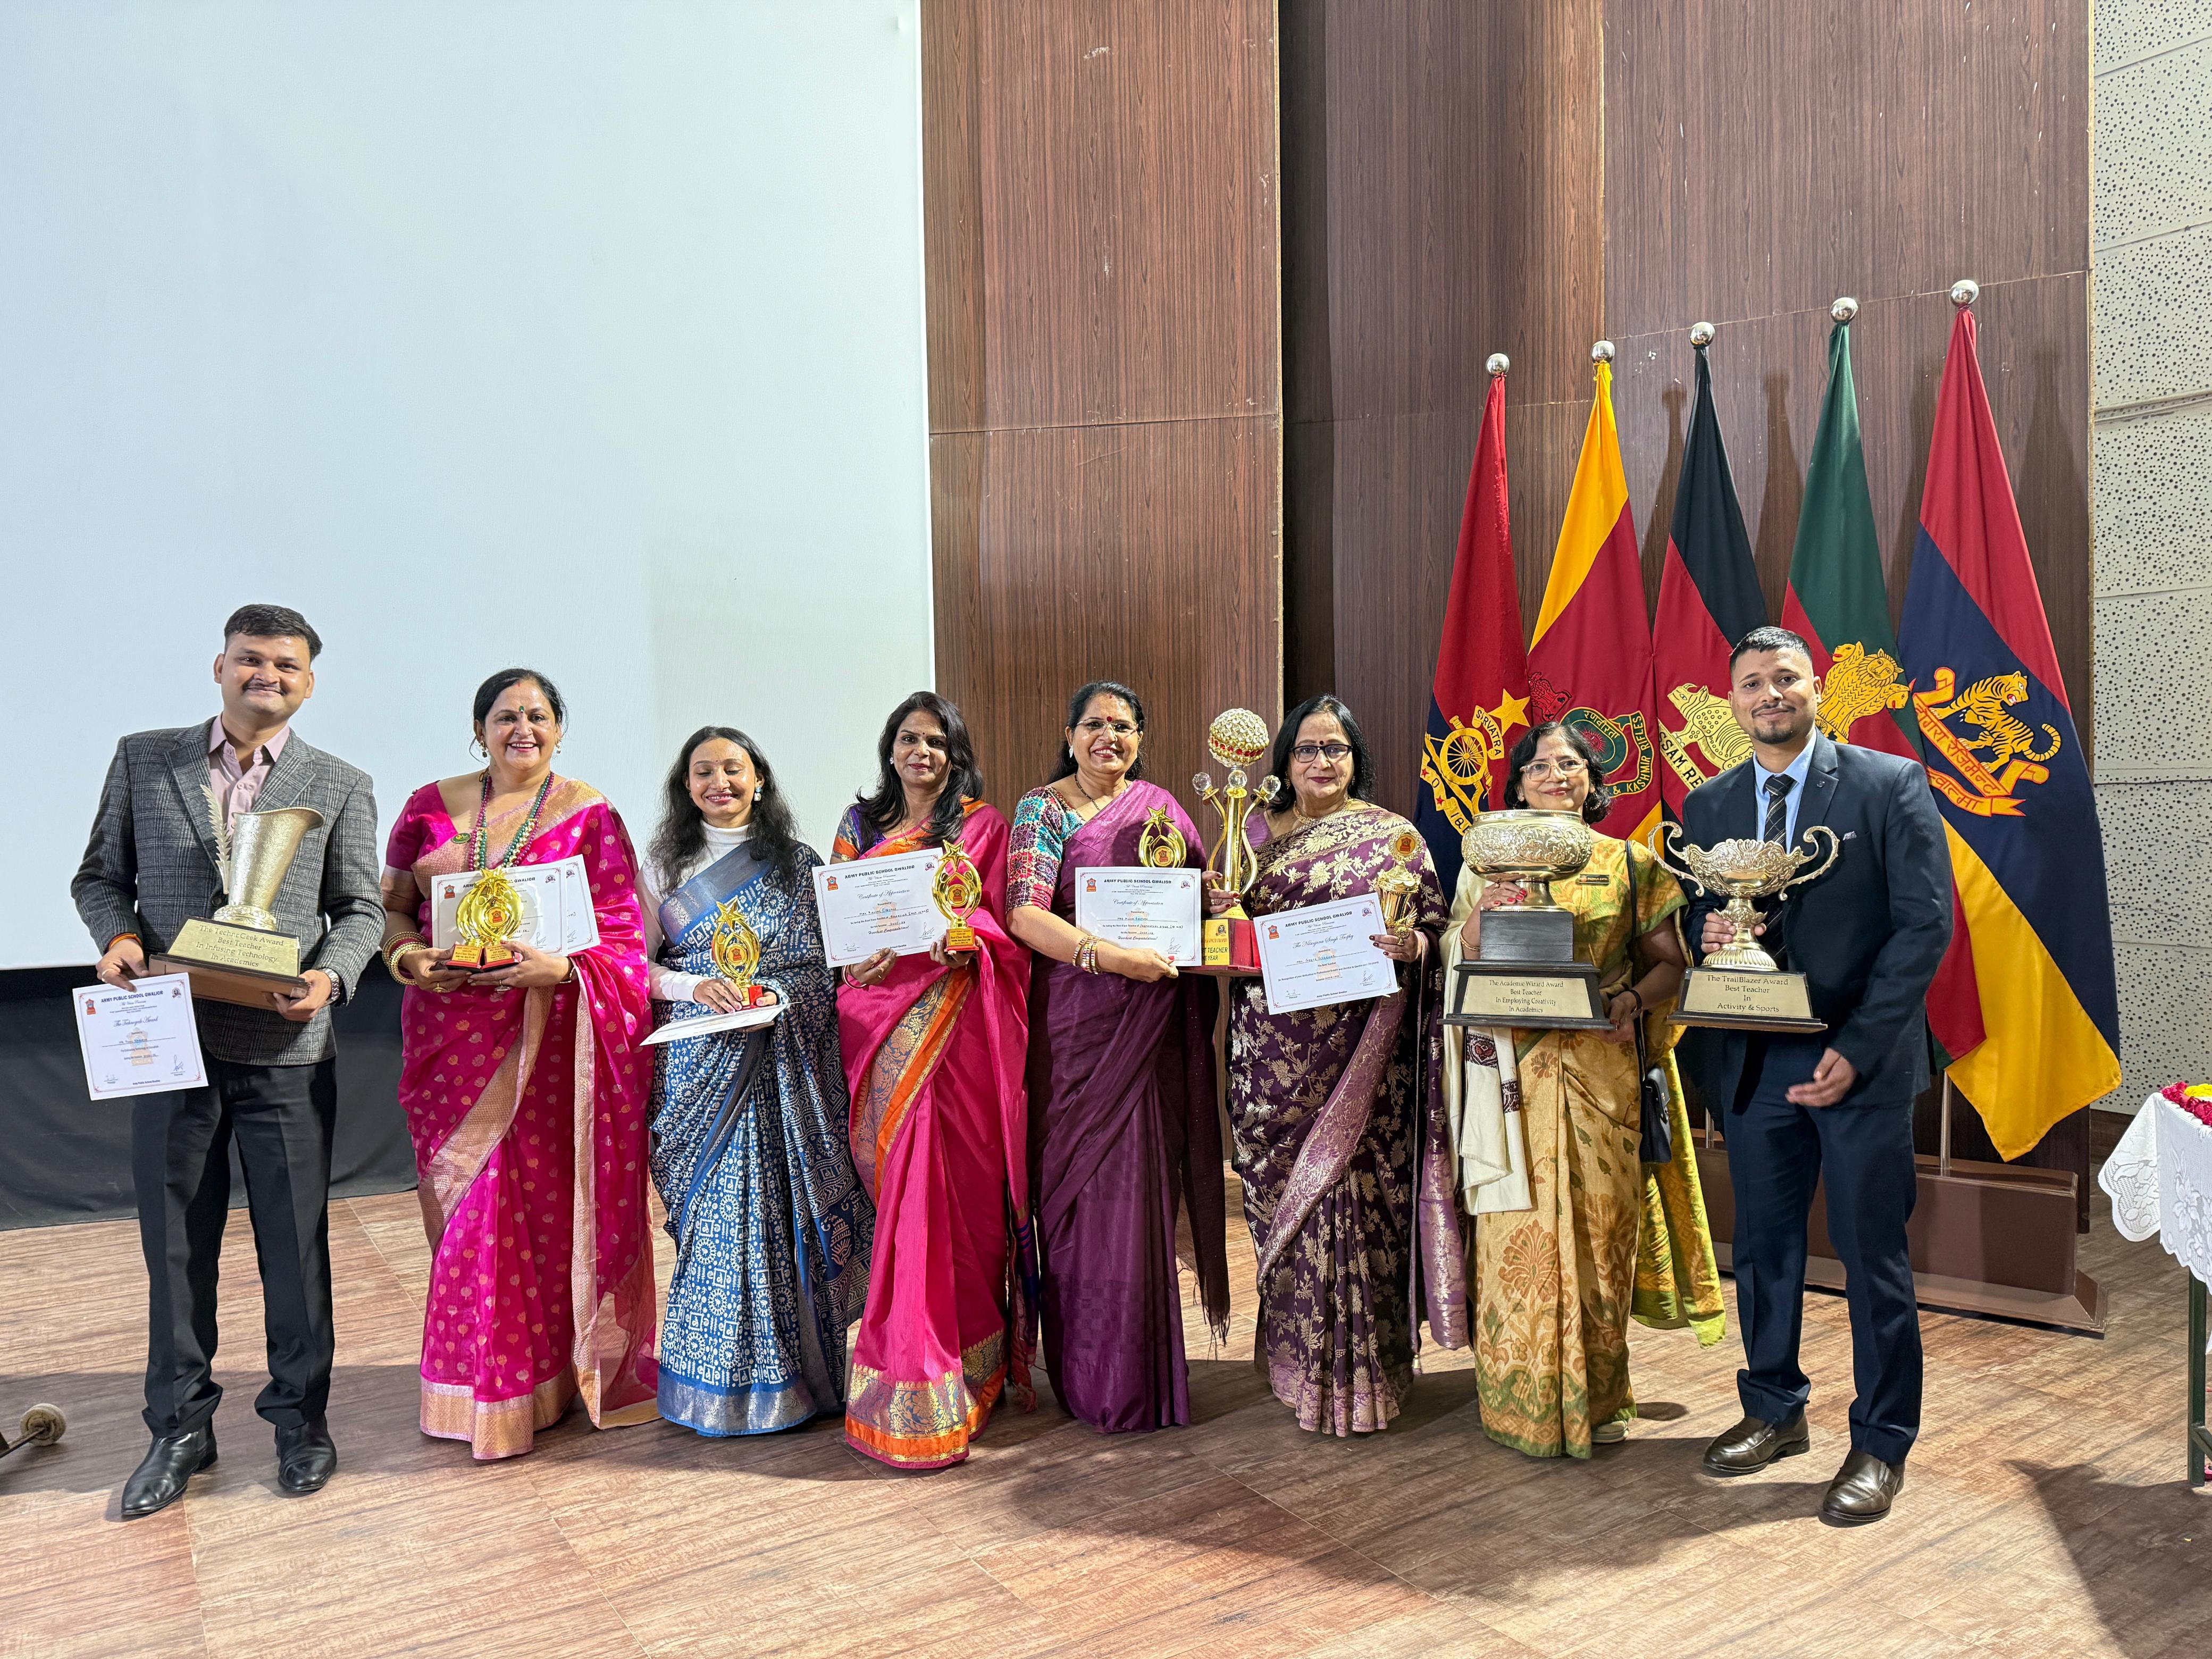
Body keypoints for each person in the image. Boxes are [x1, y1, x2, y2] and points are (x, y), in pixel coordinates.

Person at [72, 603, 381, 1518]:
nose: (268, 676)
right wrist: (120, 936)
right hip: (168, 1037)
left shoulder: (341, 783)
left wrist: (330, 978)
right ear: (219, 667)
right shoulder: (145, 756)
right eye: (251, 660)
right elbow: (98, 876)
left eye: (286, 665)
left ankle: (300, 1422)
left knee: (294, 1248)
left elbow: (360, 910)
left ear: (309, 681)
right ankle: (179, 1427)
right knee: (174, 1247)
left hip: (287, 1040)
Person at [1684, 625, 1950, 1525]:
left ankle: (1880, 1442)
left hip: (1859, 1063)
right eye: (1752, 682)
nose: (1770, 694)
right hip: (1756, 1062)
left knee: (1873, 1259)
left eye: (1785, 678)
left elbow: (1924, 927)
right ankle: (1773, 1411)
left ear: (1817, 687)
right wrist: (1707, 937)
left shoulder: (1887, 784)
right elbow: (1696, 921)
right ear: (1731, 702)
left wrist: (1863, 1045)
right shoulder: (1710, 804)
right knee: (1762, 1252)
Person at [379, 667, 658, 1459]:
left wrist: (565, 971)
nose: (522, 728)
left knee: (536, 1213)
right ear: (480, 730)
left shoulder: (590, 813)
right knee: (469, 1211)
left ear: (559, 730)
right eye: (506, 716)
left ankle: (541, 1380)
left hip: (550, 1045)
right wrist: (406, 958)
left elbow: (622, 933)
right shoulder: (428, 806)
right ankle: (475, 1386)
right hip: (452, 1042)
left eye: (538, 716)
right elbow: (392, 905)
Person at [1444, 720, 1724, 1460]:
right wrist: (1477, 921)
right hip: (1507, 1078)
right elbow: (1455, 957)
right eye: (1538, 764)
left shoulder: (1631, 863)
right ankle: (1518, 1403)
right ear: (1518, 783)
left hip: (1603, 1076)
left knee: (1602, 1241)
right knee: (1513, 1235)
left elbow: (1670, 963)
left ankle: (1597, 1401)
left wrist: (1629, 1002)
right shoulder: (1487, 861)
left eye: (1569, 763)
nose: (1555, 774)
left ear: (1594, 782)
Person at [1225, 693, 1462, 1436]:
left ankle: (1365, 1378)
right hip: (1269, 1052)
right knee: (1283, 1209)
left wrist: (1414, 950)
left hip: (1365, 1052)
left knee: (1357, 1204)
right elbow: (1225, 924)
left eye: (1336, 749)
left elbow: (1431, 927)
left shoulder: (1393, 838)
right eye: (1306, 749)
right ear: (1284, 762)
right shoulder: (1252, 833)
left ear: (1355, 759)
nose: (1321, 762)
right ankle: (1298, 1367)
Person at [1008, 681, 1229, 1432]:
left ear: (1141, 736)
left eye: (1124, 726)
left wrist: (1221, 905)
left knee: (1141, 1192)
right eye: (1095, 725)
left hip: (1151, 1028)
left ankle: (1141, 1374)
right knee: (1077, 1197)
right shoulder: (1042, 808)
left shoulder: (1163, 808)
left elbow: (1194, 907)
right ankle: (1086, 1370)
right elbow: (1023, 912)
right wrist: (1107, 958)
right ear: (1069, 734)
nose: (1110, 737)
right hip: (1076, 1027)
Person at [638, 726, 872, 1435]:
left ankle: (803, 1383)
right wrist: (692, 983)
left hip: (783, 1065)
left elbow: (818, 969)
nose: (720, 783)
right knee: (716, 1220)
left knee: (785, 1219)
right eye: (703, 772)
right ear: (686, 786)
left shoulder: (796, 865)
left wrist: (770, 993)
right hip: (700, 1064)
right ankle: (711, 1385)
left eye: (734, 770)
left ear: (760, 779)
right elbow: (634, 967)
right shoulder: (660, 867)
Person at [833, 692, 1031, 1468]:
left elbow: (998, 927)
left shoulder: (981, 826)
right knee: (906, 1191)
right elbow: (841, 924)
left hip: (957, 1026)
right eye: (911, 740)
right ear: (891, 749)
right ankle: (911, 1363)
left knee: (960, 1196)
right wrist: (857, 958)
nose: (924, 753)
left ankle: (961, 1359)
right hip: (878, 1019)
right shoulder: (858, 827)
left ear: (955, 753)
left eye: (939, 742)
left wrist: (965, 946)